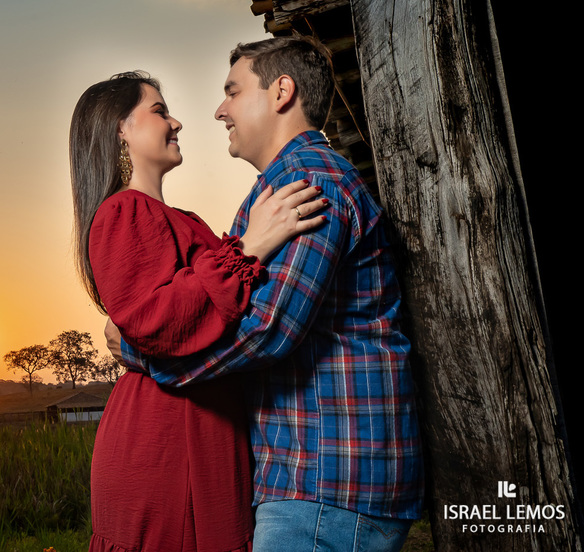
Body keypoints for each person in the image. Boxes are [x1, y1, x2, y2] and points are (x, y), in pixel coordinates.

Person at [108, 37, 424, 551]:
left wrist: (142, 352)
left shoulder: (307, 183)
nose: (218, 110)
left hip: (329, 480)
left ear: (281, 92)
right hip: (310, 477)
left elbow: (264, 330)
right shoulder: (274, 194)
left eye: (232, 91)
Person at [70, 71, 327, 552]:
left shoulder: (182, 220)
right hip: (167, 435)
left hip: (206, 424)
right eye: (160, 111)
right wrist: (248, 248)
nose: (178, 122)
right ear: (120, 129)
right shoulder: (123, 212)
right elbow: (156, 322)